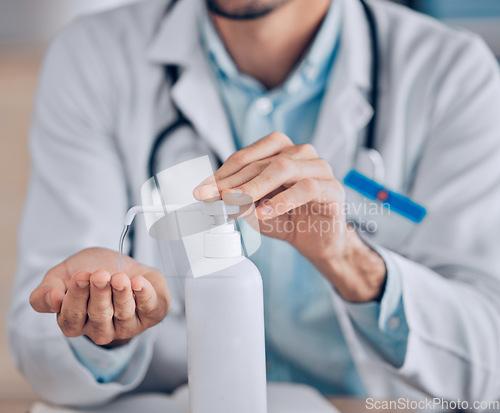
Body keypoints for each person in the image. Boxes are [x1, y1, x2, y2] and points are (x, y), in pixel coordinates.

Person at [8, 0, 500, 407]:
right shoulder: (93, 56)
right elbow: (41, 343)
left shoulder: (451, 74)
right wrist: (101, 323)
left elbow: (487, 364)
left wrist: (350, 262)